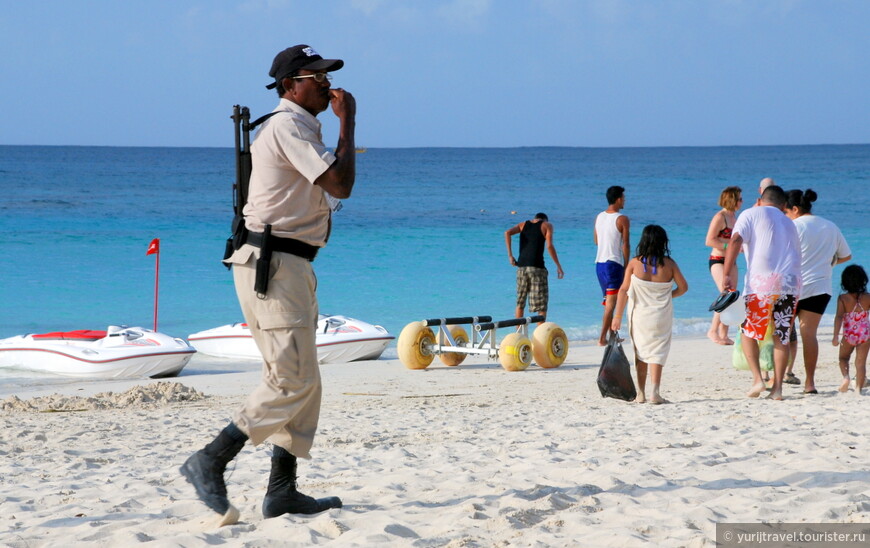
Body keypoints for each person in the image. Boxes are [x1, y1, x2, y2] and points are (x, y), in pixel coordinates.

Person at [180, 44, 356, 524]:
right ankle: (211, 459)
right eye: (315, 75)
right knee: (291, 379)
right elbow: (339, 185)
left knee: (303, 380)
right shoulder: (286, 127)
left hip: (287, 264)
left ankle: (282, 491)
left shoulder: (299, 128)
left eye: (326, 75)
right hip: (273, 265)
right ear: (289, 85)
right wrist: (349, 122)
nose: (325, 83)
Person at [722, 185, 801, 400]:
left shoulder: (749, 213)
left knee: (748, 332)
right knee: (781, 337)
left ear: (760, 200)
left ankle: (758, 379)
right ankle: (777, 389)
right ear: (783, 205)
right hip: (790, 285)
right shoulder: (789, 222)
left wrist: (727, 273)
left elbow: (736, 240)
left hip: (761, 285)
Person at [611, 225, 688, 404]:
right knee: (658, 352)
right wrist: (668, 295)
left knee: (641, 352)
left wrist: (617, 316)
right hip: (661, 315)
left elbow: (623, 290)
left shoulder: (634, 263)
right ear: (663, 243)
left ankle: (641, 393)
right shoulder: (670, 264)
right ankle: (655, 392)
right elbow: (683, 288)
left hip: (639, 316)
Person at [784, 189, 851, 393]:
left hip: (792, 286)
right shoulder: (830, 226)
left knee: (782, 334)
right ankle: (809, 383)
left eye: (786, 211)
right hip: (821, 287)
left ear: (795, 209)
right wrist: (829, 265)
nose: (785, 216)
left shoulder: (792, 226)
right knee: (809, 335)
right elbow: (846, 256)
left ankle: (776, 380)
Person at [505, 213, 564, 321]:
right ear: (545, 220)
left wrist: (510, 255)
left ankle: (518, 334)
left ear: (535, 218)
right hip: (537, 268)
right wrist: (558, 266)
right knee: (541, 305)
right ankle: (540, 335)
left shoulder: (523, 225)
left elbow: (507, 233)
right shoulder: (547, 225)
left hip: (521, 268)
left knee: (520, 302)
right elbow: (549, 246)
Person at [705, 186, 743, 345]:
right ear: (732, 200)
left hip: (732, 261)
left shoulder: (736, 217)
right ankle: (712, 331)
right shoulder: (720, 217)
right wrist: (730, 245)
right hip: (717, 260)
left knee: (732, 296)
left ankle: (724, 333)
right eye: (740, 199)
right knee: (725, 294)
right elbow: (710, 240)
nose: (742, 202)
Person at [594, 186, 630, 346]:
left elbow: (596, 240)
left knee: (608, 302)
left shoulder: (599, 217)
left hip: (600, 264)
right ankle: (602, 338)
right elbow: (625, 244)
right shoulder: (622, 219)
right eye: (623, 197)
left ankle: (612, 334)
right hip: (613, 264)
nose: (625, 200)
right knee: (611, 304)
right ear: (618, 199)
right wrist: (627, 264)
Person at [833, 265, 870, 395]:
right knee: (861, 363)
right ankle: (859, 389)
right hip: (865, 334)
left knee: (843, 358)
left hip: (849, 335)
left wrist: (835, 336)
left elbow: (838, 317)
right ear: (863, 280)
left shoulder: (843, 298)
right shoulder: (868, 297)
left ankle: (846, 377)